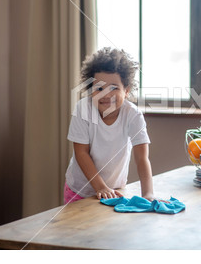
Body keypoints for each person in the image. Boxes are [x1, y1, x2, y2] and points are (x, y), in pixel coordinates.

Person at [64, 47, 155, 204]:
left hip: (115, 191)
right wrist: (100, 187)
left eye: (114, 88)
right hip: (79, 191)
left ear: (126, 91)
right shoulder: (83, 109)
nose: (106, 95)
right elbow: (81, 153)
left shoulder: (133, 114)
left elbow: (142, 158)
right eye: (99, 88)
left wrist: (148, 194)